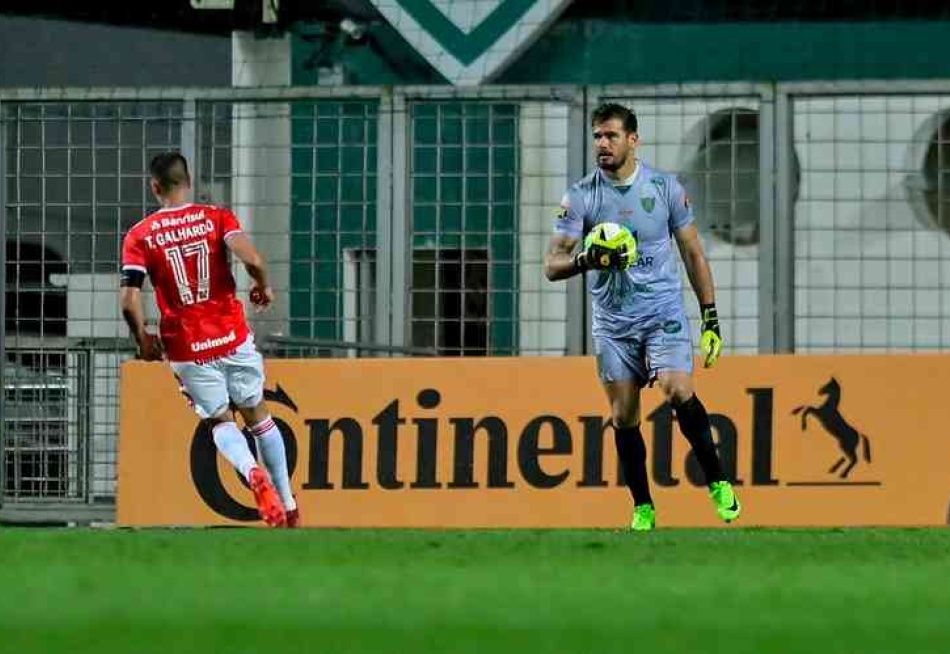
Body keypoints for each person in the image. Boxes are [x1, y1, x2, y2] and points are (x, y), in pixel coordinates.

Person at [544, 103, 740, 531]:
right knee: (623, 416)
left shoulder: (665, 189)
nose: (602, 144)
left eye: (611, 136)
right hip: (613, 325)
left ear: (633, 140)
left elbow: (693, 252)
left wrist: (710, 318)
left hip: (662, 314)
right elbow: (552, 264)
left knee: (676, 388)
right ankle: (643, 506)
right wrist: (586, 259)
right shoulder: (580, 197)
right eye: (597, 136)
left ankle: (718, 482)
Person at [119, 152, 299, 528]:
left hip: (186, 345)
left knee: (219, 421)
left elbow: (128, 300)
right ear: (188, 180)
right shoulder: (216, 217)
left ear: (155, 187)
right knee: (258, 415)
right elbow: (252, 258)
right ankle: (288, 504)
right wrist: (262, 284)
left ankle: (251, 472)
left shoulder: (140, 235)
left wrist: (143, 339)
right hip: (232, 336)